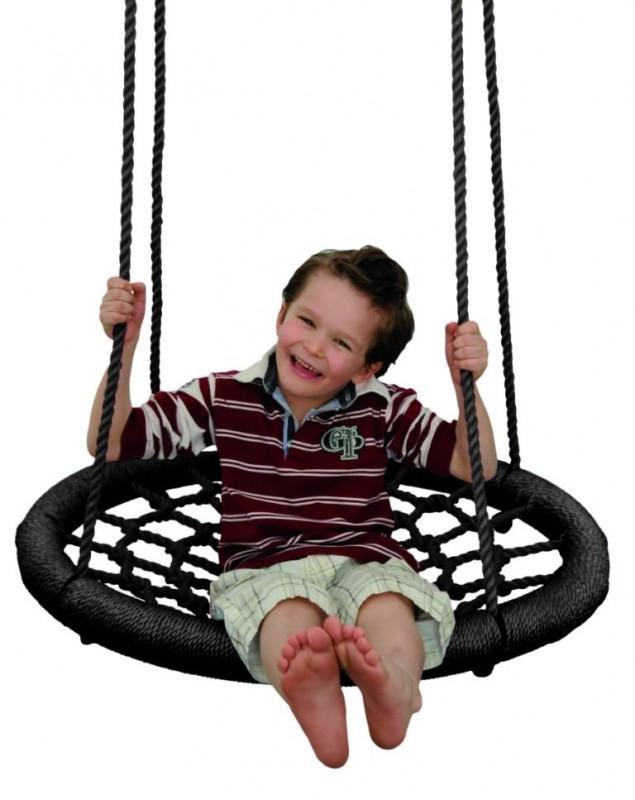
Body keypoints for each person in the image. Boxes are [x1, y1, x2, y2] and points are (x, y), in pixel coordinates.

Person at [87, 245, 497, 769]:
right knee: (287, 615)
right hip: (265, 565)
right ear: (282, 314)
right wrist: (124, 347)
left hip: (366, 556)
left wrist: (466, 385)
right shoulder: (220, 396)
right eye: (307, 321)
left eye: (342, 342)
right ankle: (312, 691)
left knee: (389, 603)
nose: (314, 347)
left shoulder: (384, 406)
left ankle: (394, 688)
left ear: (367, 367)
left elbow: (473, 464)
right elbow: (111, 441)